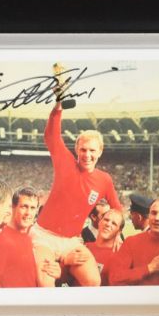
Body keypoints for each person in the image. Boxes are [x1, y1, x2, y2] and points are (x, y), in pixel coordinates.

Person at [31, 92, 122, 287]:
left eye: (92, 150)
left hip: (72, 241)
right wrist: (58, 108)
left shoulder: (104, 180)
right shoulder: (65, 162)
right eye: (83, 150)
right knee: (45, 284)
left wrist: (118, 233)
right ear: (76, 150)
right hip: (45, 237)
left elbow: (117, 209)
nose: (87, 155)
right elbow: (51, 136)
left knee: (93, 281)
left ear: (100, 152)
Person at [0, 187, 61, 287]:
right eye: (24, 207)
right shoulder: (1, 238)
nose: (28, 213)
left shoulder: (31, 238)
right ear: (13, 207)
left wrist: (55, 272)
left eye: (32, 208)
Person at [108, 197, 159, 286]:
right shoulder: (131, 242)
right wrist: (149, 268)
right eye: (153, 213)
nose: (157, 218)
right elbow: (115, 278)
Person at [85, 208, 125, 286]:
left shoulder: (119, 256)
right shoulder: (85, 247)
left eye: (114, 223)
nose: (108, 224)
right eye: (106, 220)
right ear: (99, 222)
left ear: (119, 231)